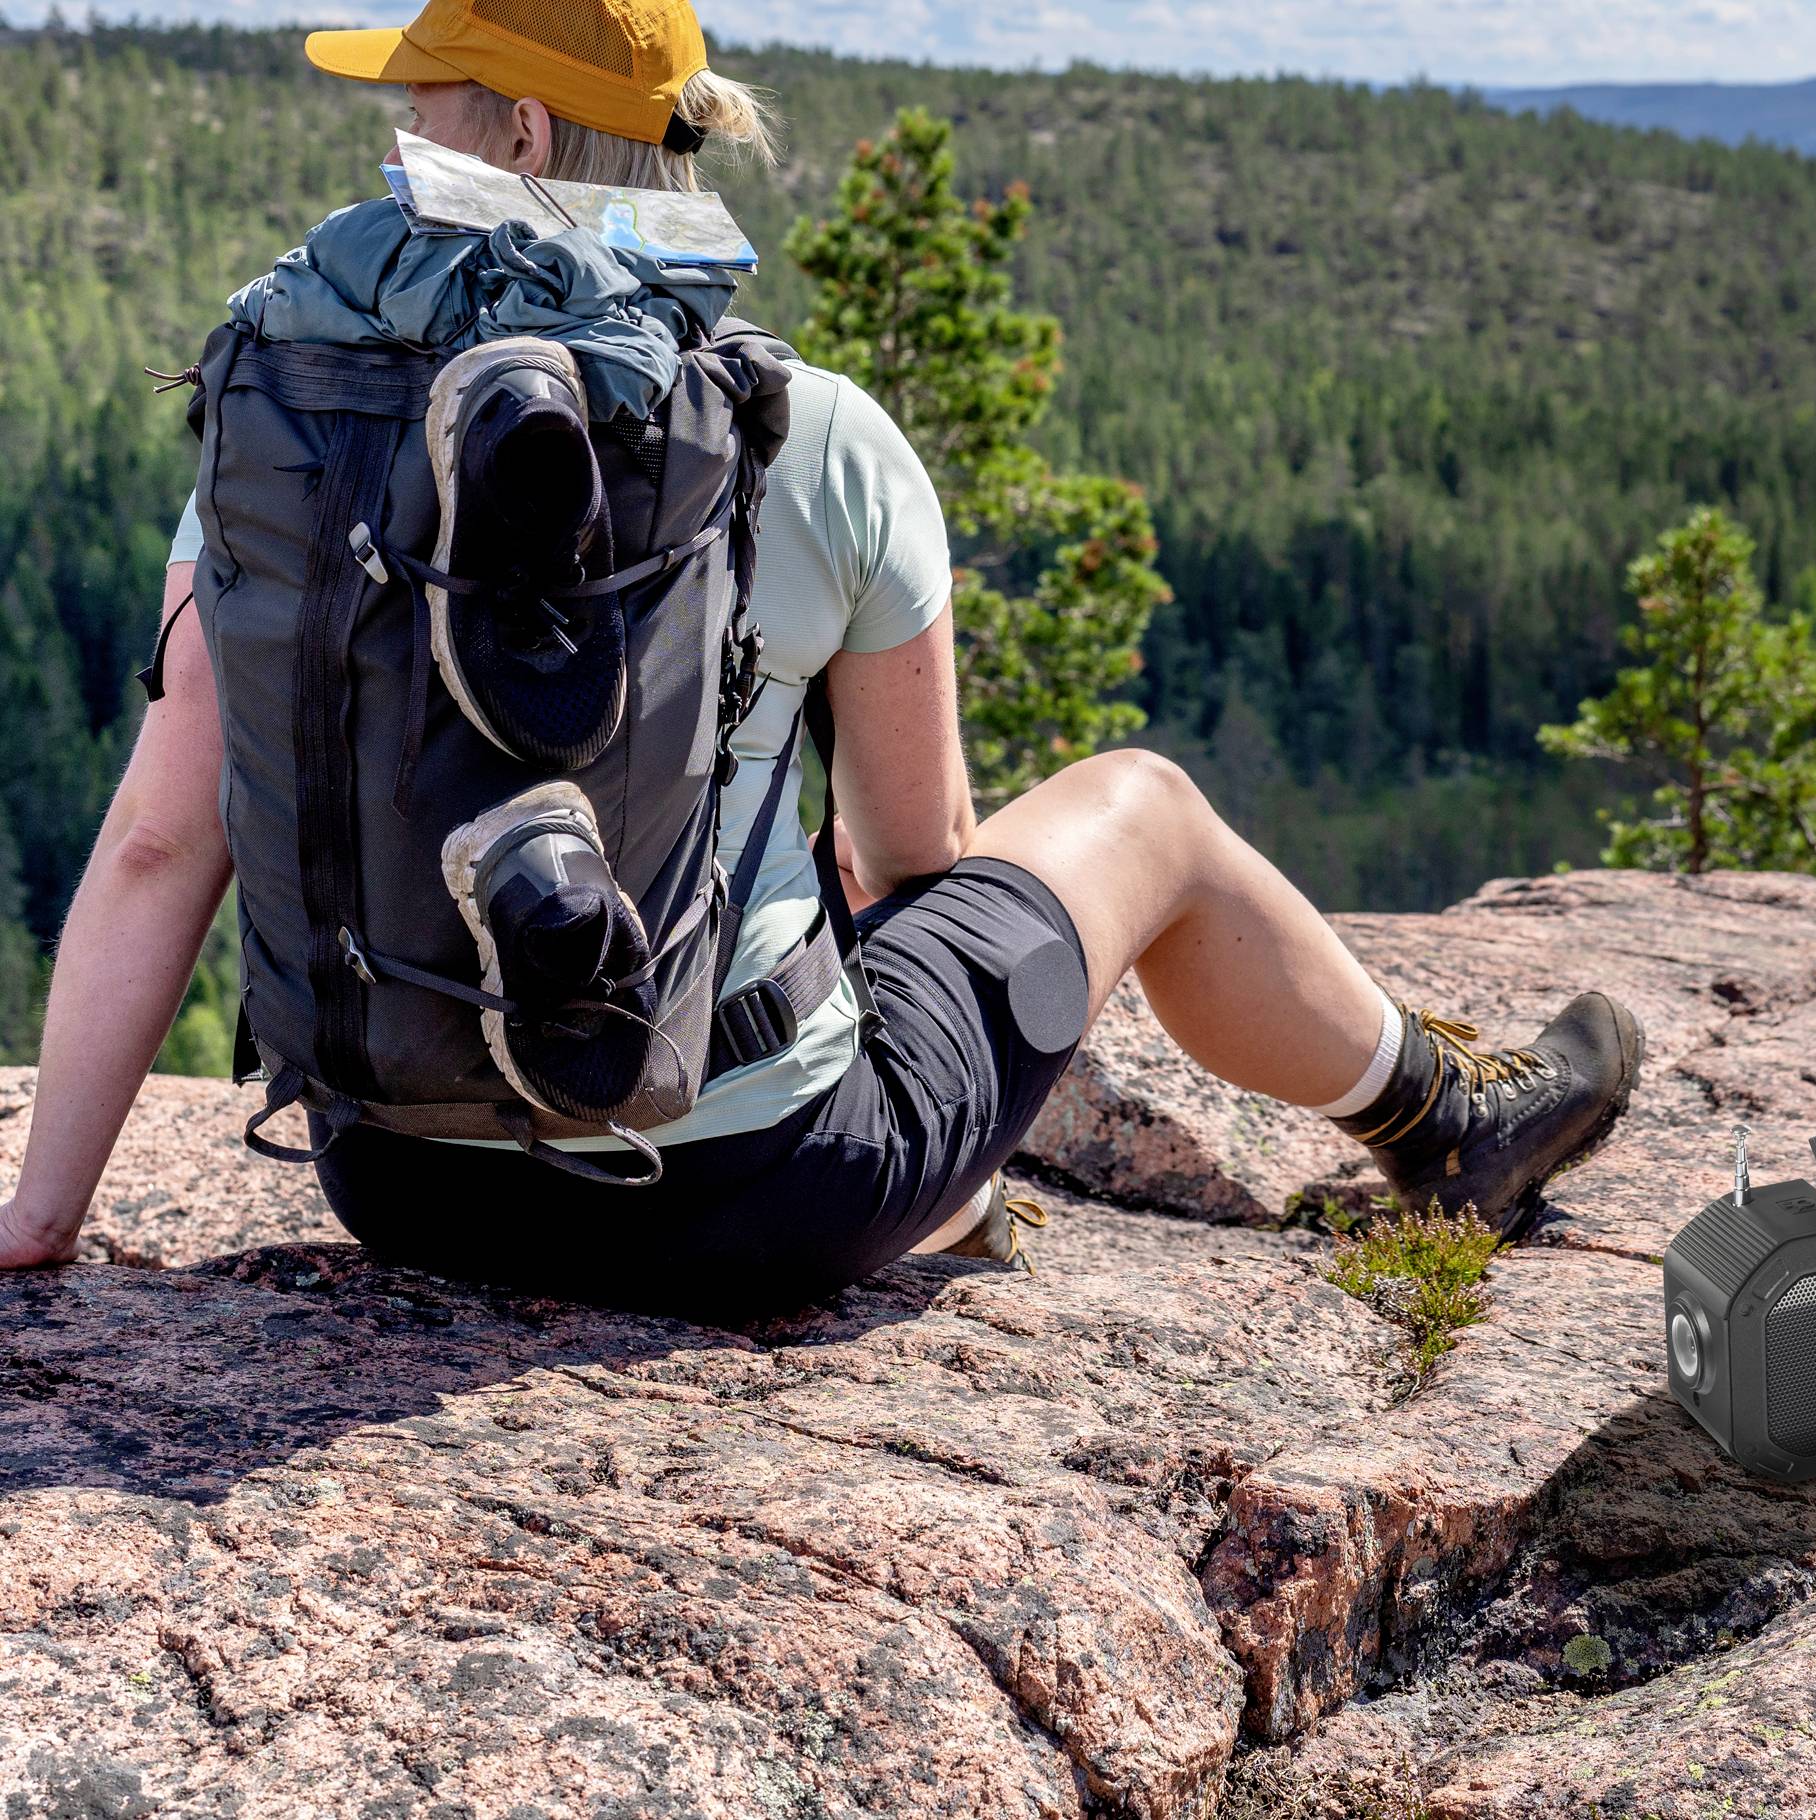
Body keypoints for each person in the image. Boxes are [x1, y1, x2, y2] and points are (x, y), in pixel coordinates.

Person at [0, 0, 1644, 1314]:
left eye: (423, 98)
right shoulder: (812, 432)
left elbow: (160, 842)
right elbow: (922, 862)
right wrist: (937, 1150)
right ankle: (1447, 1122)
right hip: (763, 1199)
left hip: (410, 1189)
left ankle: (1420, 1121)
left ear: (511, 133)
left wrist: (42, 1219)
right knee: (1142, 807)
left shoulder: (295, 435)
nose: (393, 132)